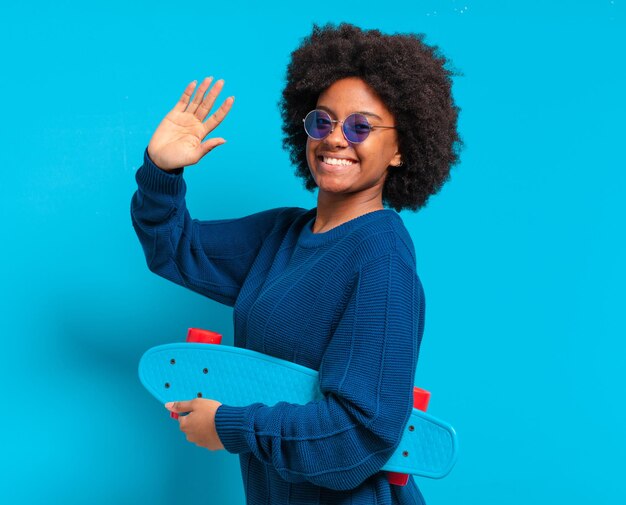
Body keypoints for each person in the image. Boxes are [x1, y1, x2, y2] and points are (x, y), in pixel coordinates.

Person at [131, 23, 461, 505]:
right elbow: (173, 248)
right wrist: (162, 169)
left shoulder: (381, 260)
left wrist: (229, 426)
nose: (334, 139)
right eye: (322, 121)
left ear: (402, 149)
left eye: (360, 127)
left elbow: (360, 435)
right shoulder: (282, 236)